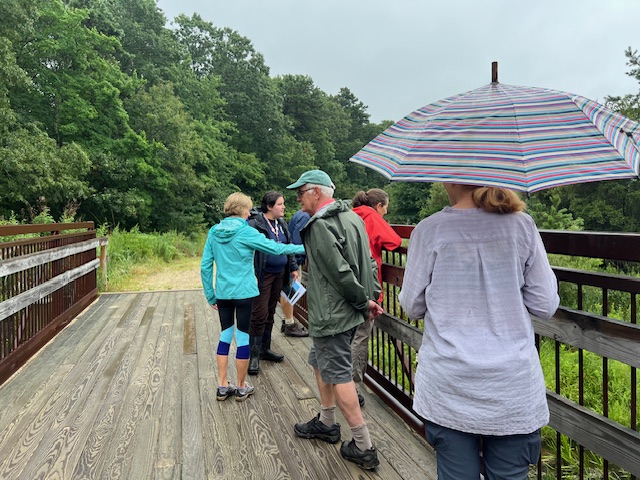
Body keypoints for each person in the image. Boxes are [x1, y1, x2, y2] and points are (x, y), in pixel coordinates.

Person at [398, 183, 559, 479]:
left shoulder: (430, 229)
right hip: (512, 387)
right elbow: (544, 304)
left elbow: (412, 305)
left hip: (450, 385)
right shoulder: (522, 225)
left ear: (450, 179)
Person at [287, 170, 383, 470]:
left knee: (339, 373)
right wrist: (373, 294)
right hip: (350, 311)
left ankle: (363, 446)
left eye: (300, 193)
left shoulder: (320, 226)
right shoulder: (352, 217)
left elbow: (338, 271)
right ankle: (327, 422)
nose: (298, 199)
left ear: (316, 192)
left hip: (333, 312)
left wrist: (361, 299)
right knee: (319, 361)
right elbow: (368, 260)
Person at [200, 192, 305, 402]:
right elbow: (276, 247)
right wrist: (305, 247)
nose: (250, 212)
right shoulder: (246, 231)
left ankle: (222, 385)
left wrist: (211, 295)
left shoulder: (214, 231)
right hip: (245, 292)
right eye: (248, 209)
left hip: (223, 293)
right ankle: (240, 387)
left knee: (225, 335)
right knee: (244, 337)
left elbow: (205, 266)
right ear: (242, 211)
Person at [351, 188, 402, 407]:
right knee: (361, 335)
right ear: (379, 205)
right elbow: (395, 242)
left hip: (349, 281)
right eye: (385, 209)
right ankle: (352, 386)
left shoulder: (352, 213)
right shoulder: (371, 216)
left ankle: (339, 381)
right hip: (367, 283)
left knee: (348, 333)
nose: (385, 214)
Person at [247, 191, 308, 376]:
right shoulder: (255, 224)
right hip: (262, 275)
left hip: (279, 275)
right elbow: (250, 251)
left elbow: (288, 247)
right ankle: (254, 356)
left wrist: (292, 267)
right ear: (269, 206)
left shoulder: (281, 224)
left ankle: (265, 349)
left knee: (271, 311)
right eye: (280, 204)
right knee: (259, 313)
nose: (284, 207)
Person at [278, 208, 312, 336]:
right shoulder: (305, 216)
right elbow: (297, 239)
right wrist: (295, 263)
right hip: (295, 261)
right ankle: (289, 323)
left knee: (290, 291)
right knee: (291, 291)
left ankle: (285, 320)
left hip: (292, 259)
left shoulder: (300, 214)